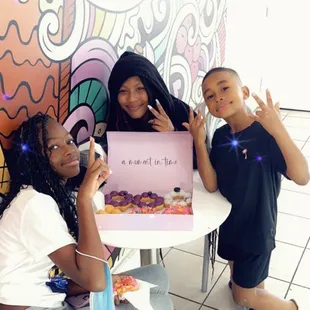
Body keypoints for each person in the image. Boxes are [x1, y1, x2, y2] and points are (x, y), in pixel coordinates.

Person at [0, 114, 173, 310]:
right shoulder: (34, 204)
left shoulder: (55, 195)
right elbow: (95, 281)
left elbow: (53, 280)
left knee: (157, 276)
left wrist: (111, 283)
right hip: (35, 305)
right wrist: (84, 198)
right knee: (159, 303)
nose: (70, 150)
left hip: (51, 291)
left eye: (69, 141)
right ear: (34, 158)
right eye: (53, 147)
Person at [183, 67, 309, 310]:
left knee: (242, 298)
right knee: (237, 273)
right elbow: (211, 185)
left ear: (245, 92)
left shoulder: (264, 132)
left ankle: (291, 307)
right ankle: (251, 287)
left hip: (257, 228)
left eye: (224, 88)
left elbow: (302, 176)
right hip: (231, 221)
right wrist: (199, 141)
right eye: (209, 95)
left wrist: (278, 128)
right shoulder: (220, 136)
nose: (217, 96)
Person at [106, 51, 192, 134]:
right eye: (123, 91)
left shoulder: (178, 112)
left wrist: (173, 133)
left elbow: (201, 146)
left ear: (152, 88)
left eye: (139, 89)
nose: (132, 99)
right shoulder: (116, 120)